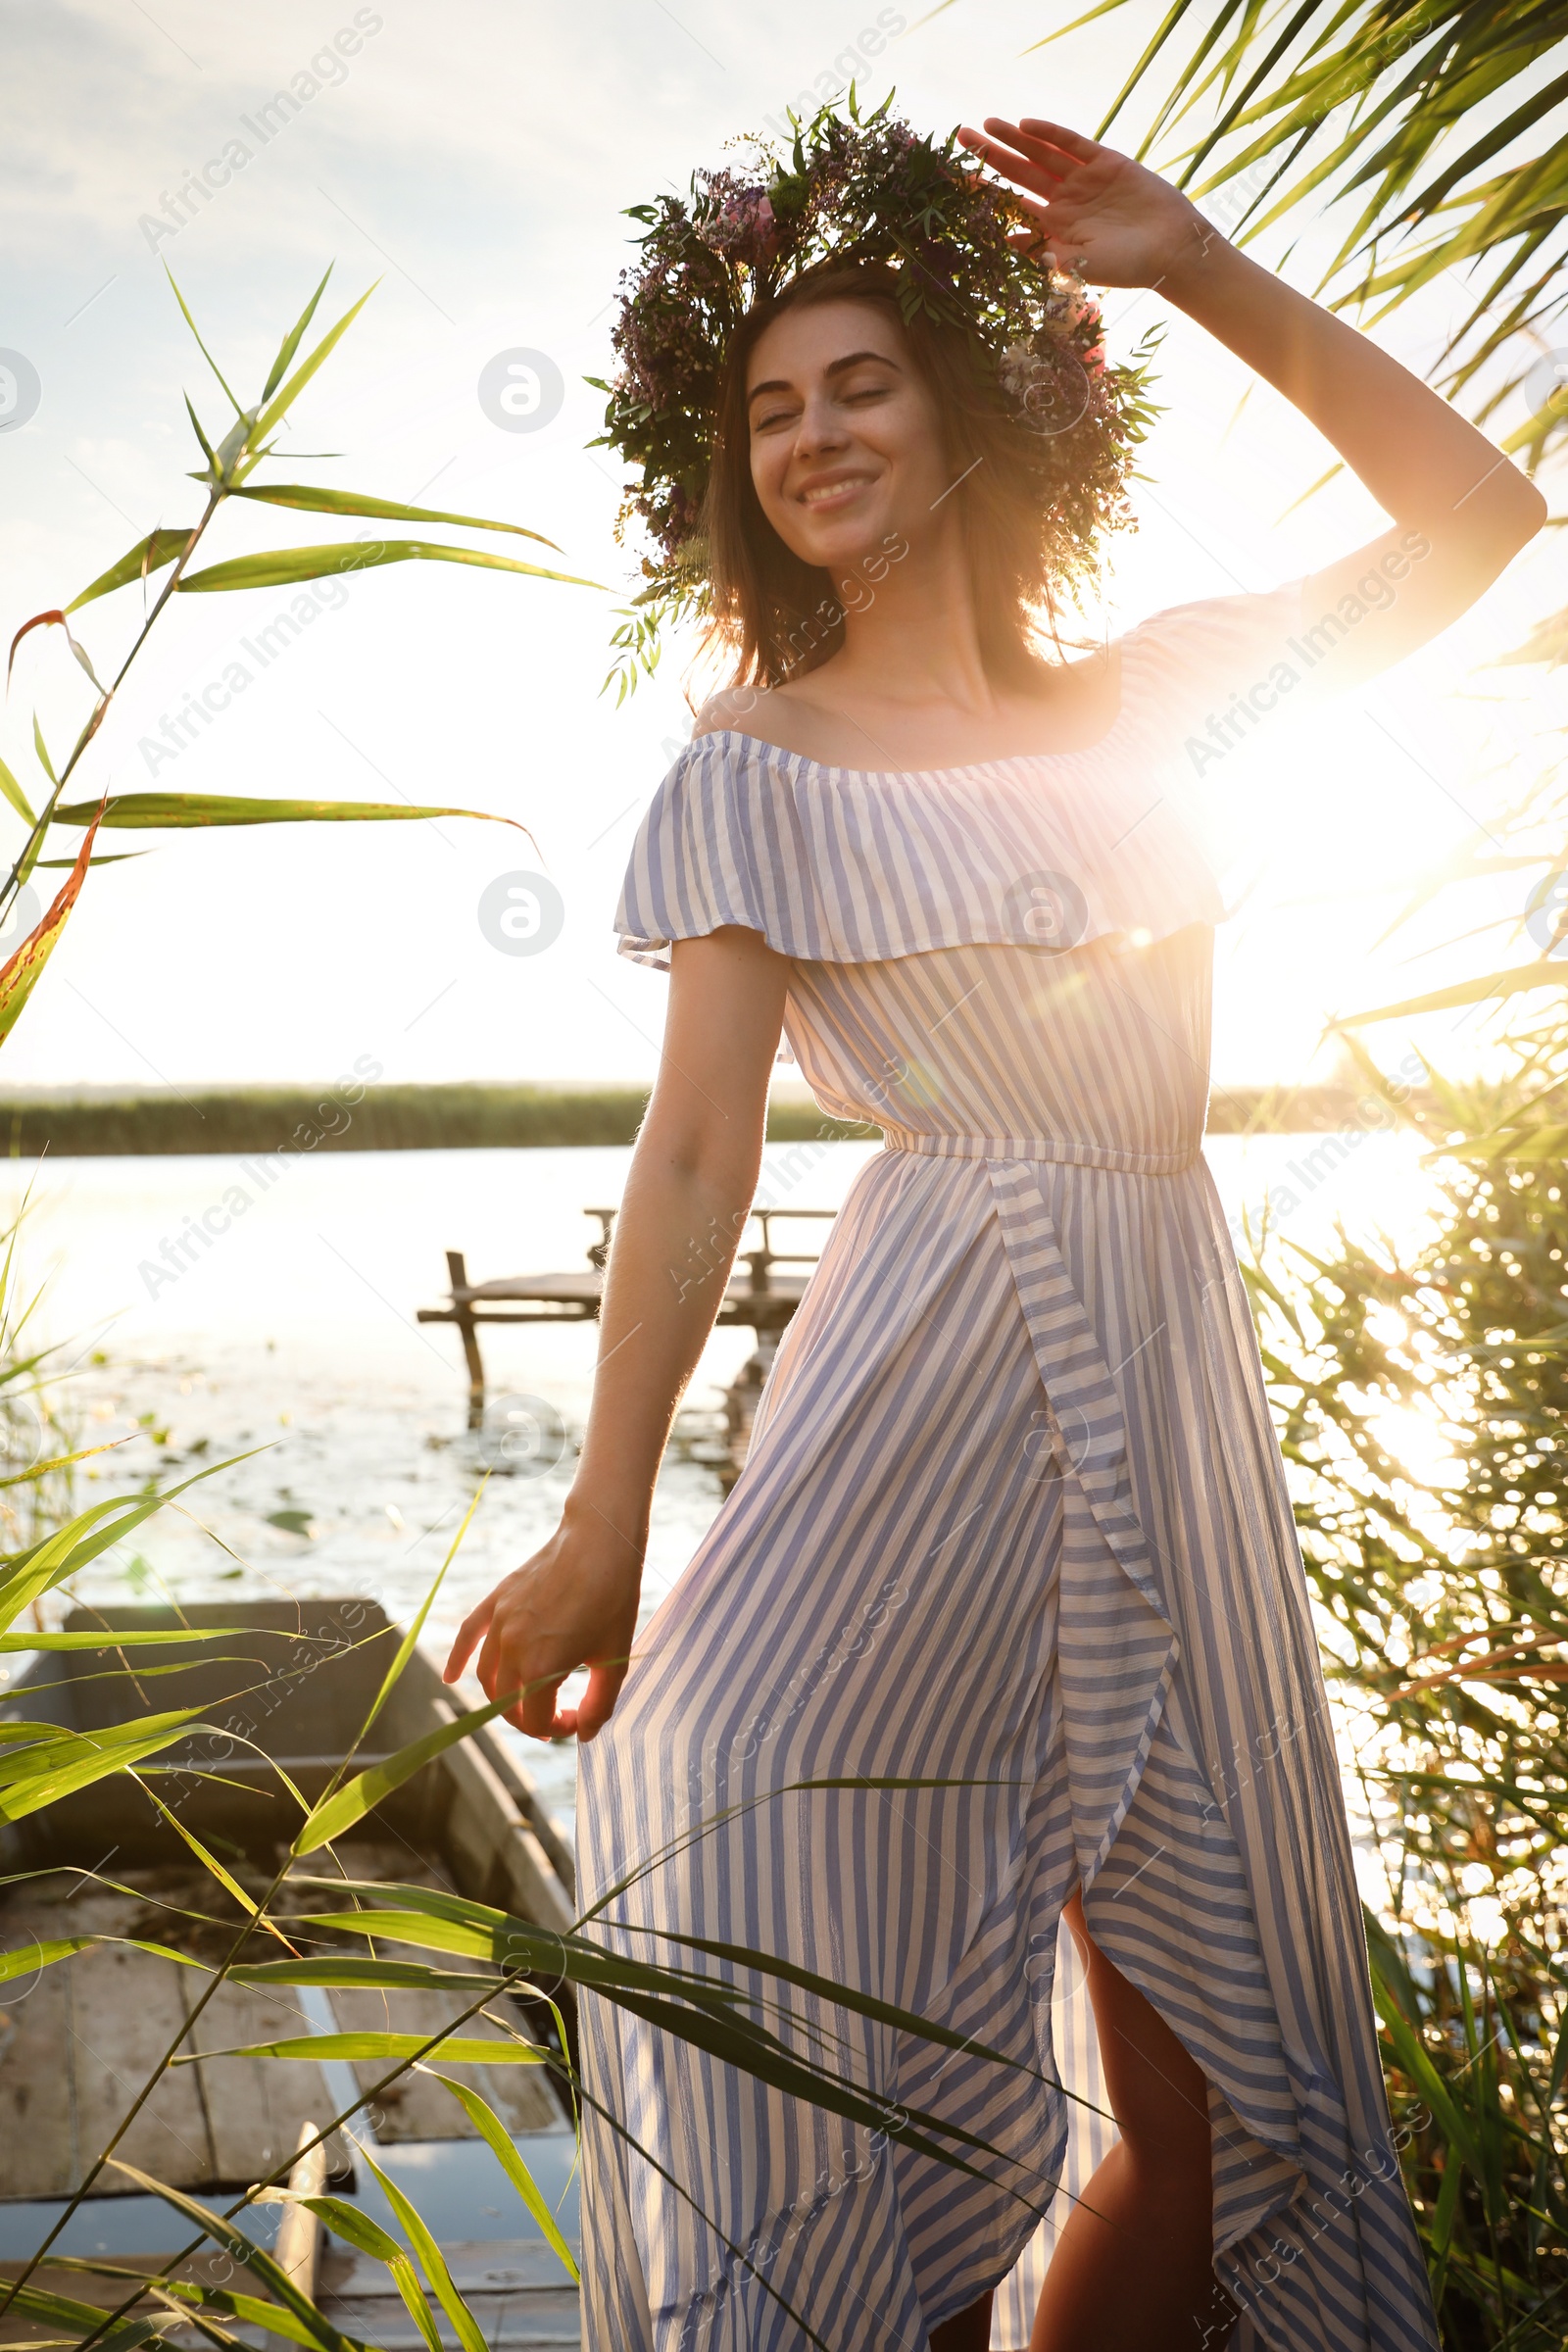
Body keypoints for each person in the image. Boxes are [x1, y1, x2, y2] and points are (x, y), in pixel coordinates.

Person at [446, 112, 1544, 2351]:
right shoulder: (749, 762)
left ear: (962, 406)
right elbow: (691, 1160)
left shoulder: (1167, 699)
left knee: (1212, 2082)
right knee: (835, 2015)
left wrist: (1199, 263)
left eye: (855, 382)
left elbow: (1478, 519)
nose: (812, 434)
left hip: (1155, 1375)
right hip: (903, 1397)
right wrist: (601, 1518)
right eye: (766, 408)